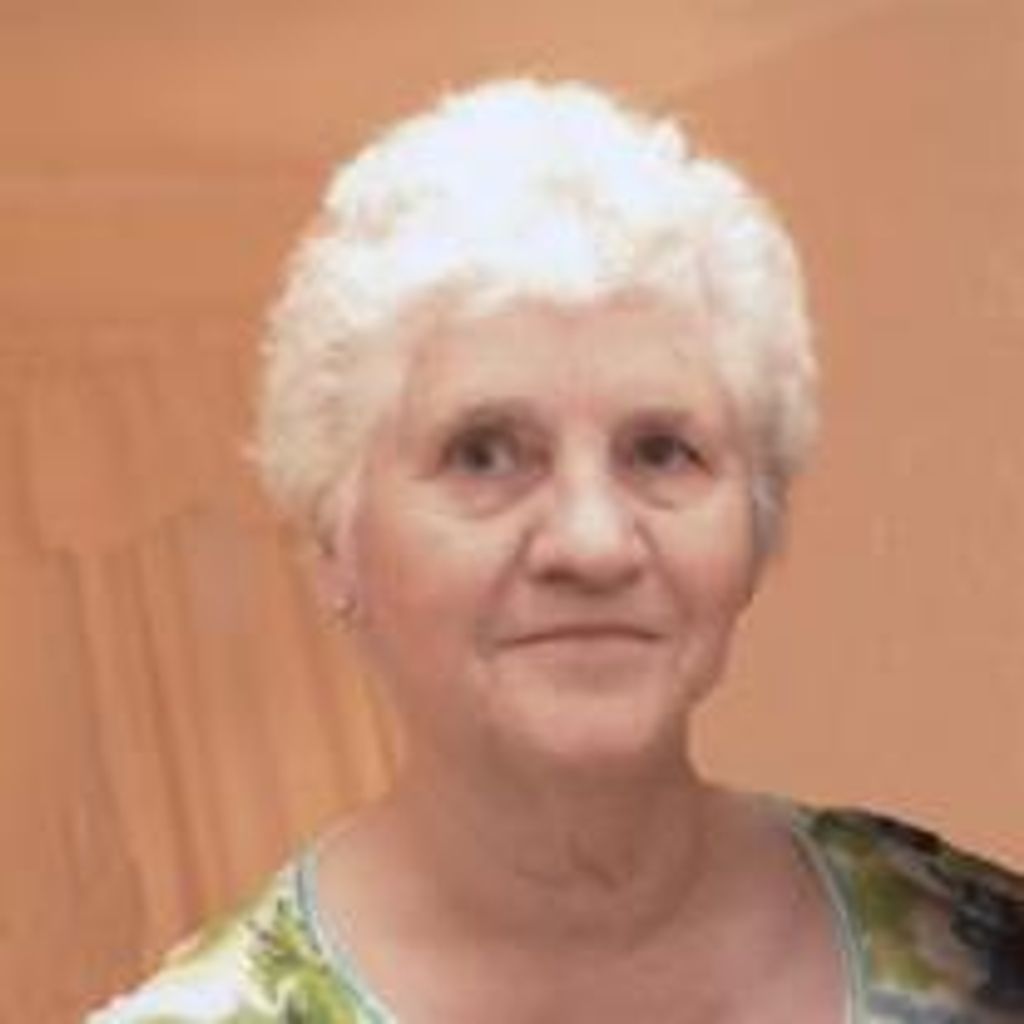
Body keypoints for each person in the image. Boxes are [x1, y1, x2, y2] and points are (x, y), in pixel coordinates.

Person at [89, 79, 1024, 1023]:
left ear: (756, 524)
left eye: (661, 450)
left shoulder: (982, 953)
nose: (592, 543)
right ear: (335, 541)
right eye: (484, 453)